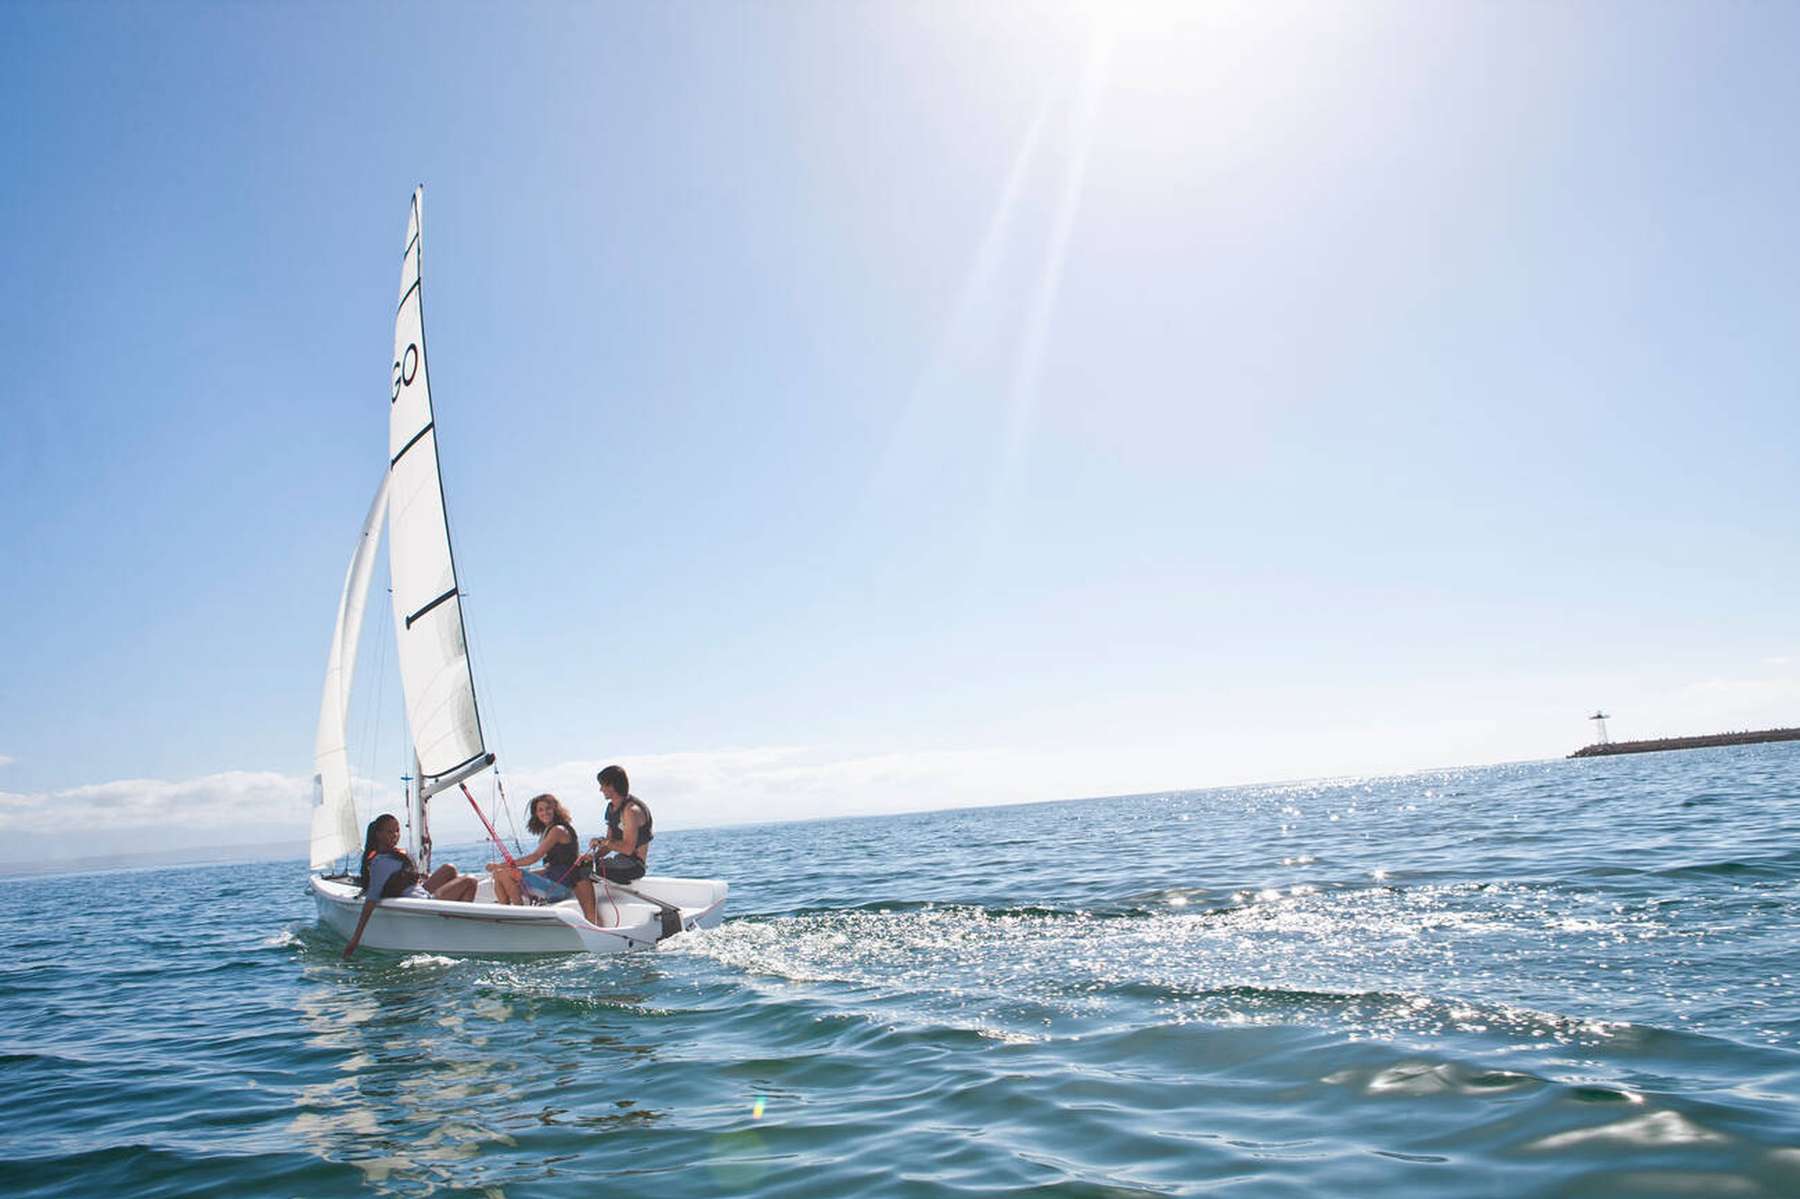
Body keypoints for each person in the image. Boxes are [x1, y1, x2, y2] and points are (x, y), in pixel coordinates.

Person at [341, 813, 477, 958]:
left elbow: (404, 880)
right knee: (470, 881)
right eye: (389, 831)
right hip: (425, 903)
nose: (395, 835)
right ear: (378, 834)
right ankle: (460, 930)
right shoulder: (380, 862)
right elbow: (371, 899)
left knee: (449, 869)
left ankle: (453, 915)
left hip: (419, 892)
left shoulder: (393, 855)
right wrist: (355, 939)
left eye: (397, 831)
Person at [487, 793, 602, 925]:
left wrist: (501, 865)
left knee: (505, 872)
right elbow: (552, 867)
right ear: (535, 814)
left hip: (559, 888)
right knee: (498, 874)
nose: (544, 812)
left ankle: (517, 918)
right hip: (551, 882)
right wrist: (506, 869)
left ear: (555, 809)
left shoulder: (558, 830)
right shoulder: (548, 831)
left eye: (548, 808)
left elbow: (534, 857)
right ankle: (505, 912)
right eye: (540, 810)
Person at [588, 764, 653, 886]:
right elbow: (609, 843)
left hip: (634, 866)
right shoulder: (611, 808)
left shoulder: (631, 810)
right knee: (583, 865)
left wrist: (603, 842)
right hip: (620, 860)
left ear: (612, 786)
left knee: (584, 872)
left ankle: (591, 905)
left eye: (602, 785)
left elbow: (628, 849)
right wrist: (593, 857)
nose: (600, 789)